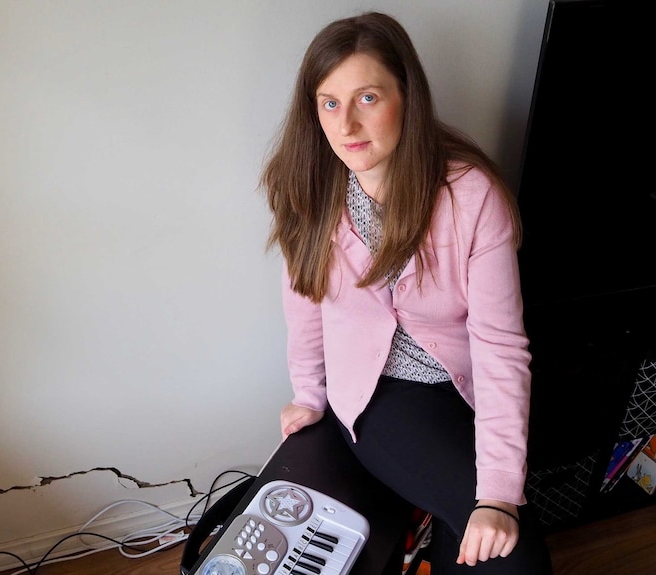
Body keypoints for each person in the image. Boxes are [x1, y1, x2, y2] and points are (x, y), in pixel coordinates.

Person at [260, 11, 554, 574]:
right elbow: (303, 303)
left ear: (406, 96)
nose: (346, 123)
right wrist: (309, 394)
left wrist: (497, 495)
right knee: (515, 561)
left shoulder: (471, 196)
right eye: (328, 103)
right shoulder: (311, 189)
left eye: (367, 97)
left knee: (481, 529)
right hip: (379, 398)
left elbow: (500, 346)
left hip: (464, 388)